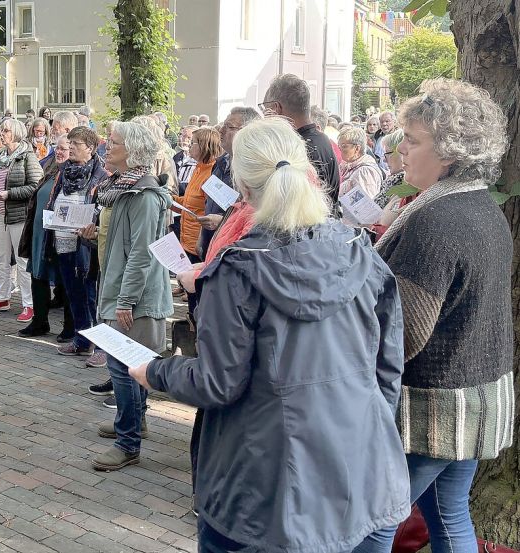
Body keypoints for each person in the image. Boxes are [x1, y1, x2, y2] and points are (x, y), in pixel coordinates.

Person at [131, 116, 410, 550]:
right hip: (360, 471)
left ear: (242, 186)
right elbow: (387, 368)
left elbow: (217, 382)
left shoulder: (241, 268)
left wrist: (158, 372)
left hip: (264, 491)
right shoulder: (358, 250)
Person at [356, 79, 515, 552]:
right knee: (449, 515)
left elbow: (403, 333)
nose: (400, 150)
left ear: (449, 152)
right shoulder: (481, 206)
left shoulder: (436, 221)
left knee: (373, 524)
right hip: (479, 398)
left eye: (413, 140)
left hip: (433, 409)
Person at [88, 121, 173, 471]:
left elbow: (141, 253)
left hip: (134, 297)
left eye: (115, 143)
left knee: (124, 368)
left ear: (134, 151)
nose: (107, 147)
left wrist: (125, 299)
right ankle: (133, 423)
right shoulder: (122, 187)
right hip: (120, 288)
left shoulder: (144, 194)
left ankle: (129, 442)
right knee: (126, 366)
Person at [51, 127, 109, 357]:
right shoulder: (63, 171)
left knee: (89, 294)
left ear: (91, 148)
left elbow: (101, 209)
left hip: (86, 243)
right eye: (70, 142)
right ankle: (81, 340)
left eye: (76, 143)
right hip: (62, 238)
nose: (71, 147)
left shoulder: (100, 175)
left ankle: (100, 345)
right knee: (73, 293)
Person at [0, 118, 41, 322]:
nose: (1, 133)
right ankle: (2, 297)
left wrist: (9, 194)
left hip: (18, 215)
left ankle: (29, 304)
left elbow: (35, 185)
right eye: (1, 130)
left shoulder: (27, 157)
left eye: (5, 130)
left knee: (22, 261)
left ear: (16, 133)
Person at [16, 135, 74, 339]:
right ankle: (40, 322)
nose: (59, 152)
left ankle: (70, 327)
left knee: (65, 281)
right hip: (40, 233)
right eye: (57, 148)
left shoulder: (76, 174)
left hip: (60, 235)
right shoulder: (50, 169)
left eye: (64, 149)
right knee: (37, 276)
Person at [261, 73, 340, 207]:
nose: (264, 116)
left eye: (265, 110)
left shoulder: (297, 148)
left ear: (276, 108)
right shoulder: (323, 139)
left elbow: (290, 205)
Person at [199, 106, 261, 257]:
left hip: (231, 252)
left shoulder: (255, 172)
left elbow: (255, 218)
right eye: (223, 125)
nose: (221, 131)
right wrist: (202, 237)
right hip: (211, 243)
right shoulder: (220, 163)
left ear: (248, 131)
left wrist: (222, 222)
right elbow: (210, 203)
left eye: (229, 127)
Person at [172, 127, 221, 260]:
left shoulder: (213, 173)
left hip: (199, 247)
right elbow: (190, 204)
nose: (188, 145)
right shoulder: (198, 168)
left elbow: (210, 211)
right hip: (186, 242)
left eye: (193, 142)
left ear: (204, 146)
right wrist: (170, 200)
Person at [338, 126, 384, 202]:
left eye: (344, 146)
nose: (340, 149)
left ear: (357, 148)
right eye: (339, 145)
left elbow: (366, 206)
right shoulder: (347, 164)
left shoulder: (365, 172)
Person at [374, 129, 405, 207]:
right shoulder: (392, 182)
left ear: (401, 152)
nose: (384, 160)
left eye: (387, 154)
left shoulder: (404, 186)